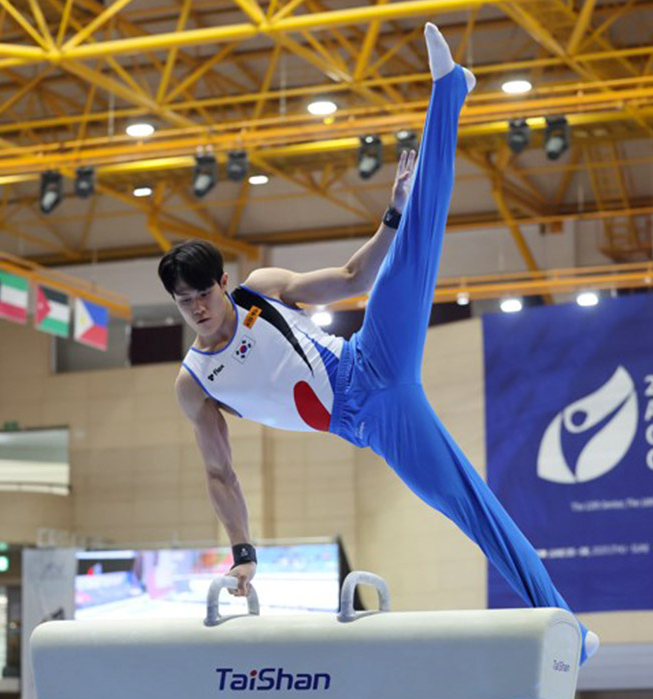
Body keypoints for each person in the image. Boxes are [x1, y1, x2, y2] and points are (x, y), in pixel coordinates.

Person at [161, 23, 597, 664]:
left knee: (414, 246)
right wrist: (242, 554)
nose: (197, 309)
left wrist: (392, 212)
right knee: (471, 509)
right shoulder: (195, 383)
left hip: (370, 355)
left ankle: (448, 91)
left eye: (203, 293)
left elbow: (350, 279)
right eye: (184, 302)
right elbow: (219, 471)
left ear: (223, 283)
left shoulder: (261, 290)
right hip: (371, 417)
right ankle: (570, 630)